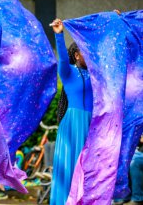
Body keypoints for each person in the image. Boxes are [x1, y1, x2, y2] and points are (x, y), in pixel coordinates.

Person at [50, 19, 93, 205]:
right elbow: (62, 58)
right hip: (72, 125)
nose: (89, 55)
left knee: (88, 169)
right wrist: (59, 35)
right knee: (69, 167)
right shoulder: (68, 73)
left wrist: (112, 24)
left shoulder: (95, 73)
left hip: (91, 125)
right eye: (85, 51)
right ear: (76, 55)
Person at [114, 135, 143, 205]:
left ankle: (138, 198)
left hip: (140, 154)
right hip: (139, 151)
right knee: (124, 158)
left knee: (134, 161)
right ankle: (124, 196)